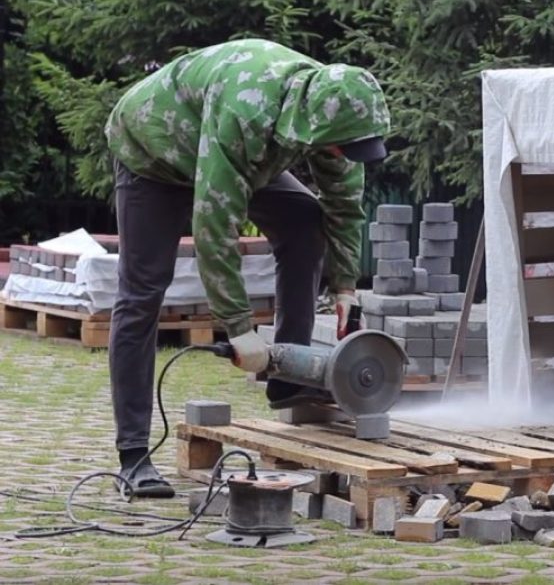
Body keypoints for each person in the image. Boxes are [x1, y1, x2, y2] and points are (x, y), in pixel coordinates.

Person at [103, 38, 389, 497]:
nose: (343, 157)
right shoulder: (247, 111)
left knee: (304, 221)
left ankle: (287, 378)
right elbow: (216, 225)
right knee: (142, 292)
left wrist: (345, 287)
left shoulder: (337, 109)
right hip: (154, 149)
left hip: (231, 149)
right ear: (317, 127)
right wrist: (238, 329)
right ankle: (133, 456)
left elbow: (344, 208)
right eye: (340, 149)